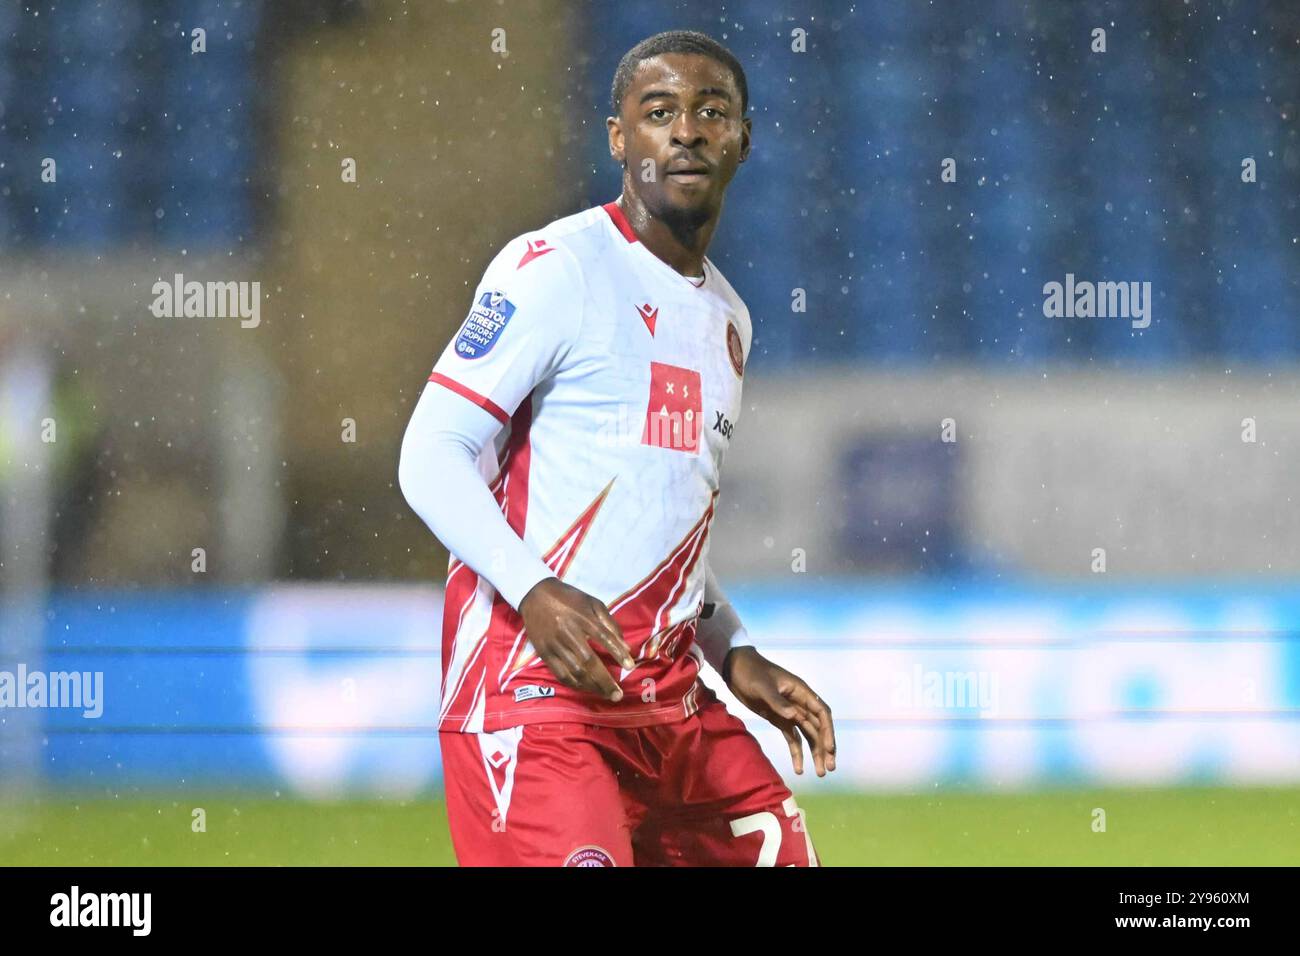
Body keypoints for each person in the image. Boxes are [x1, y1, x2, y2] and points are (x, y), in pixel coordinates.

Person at [399, 30, 835, 866]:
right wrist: (533, 589)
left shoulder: (731, 321)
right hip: (534, 701)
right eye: (659, 112)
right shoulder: (555, 268)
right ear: (618, 138)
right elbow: (430, 452)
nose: (687, 132)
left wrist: (731, 648)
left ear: (744, 138)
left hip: (669, 708)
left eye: (713, 112)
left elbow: (656, 525)